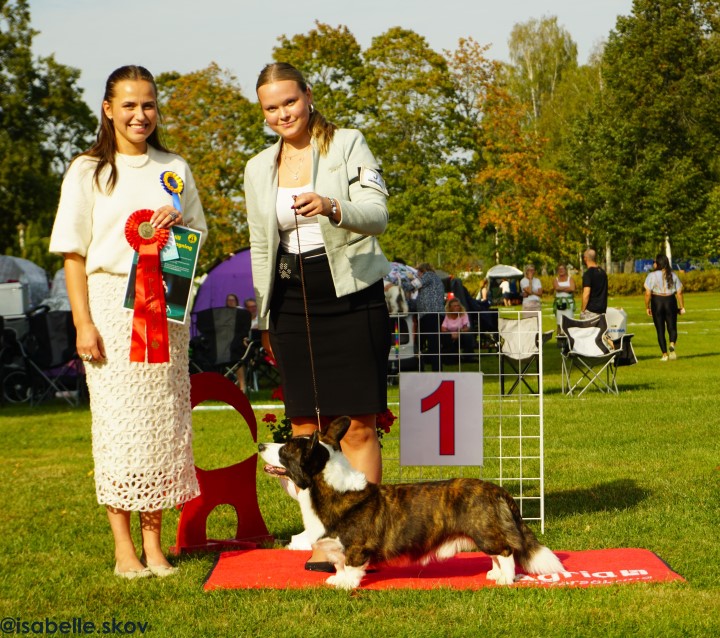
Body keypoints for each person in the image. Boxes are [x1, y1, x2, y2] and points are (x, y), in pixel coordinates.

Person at [49, 65, 207, 579]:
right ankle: (124, 549)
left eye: (149, 104)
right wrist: (83, 322)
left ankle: (155, 545)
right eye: (130, 105)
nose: (141, 115)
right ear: (108, 109)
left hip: (166, 308)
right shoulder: (87, 170)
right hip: (110, 310)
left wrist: (178, 224)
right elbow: (73, 253)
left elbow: (197, 236)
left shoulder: (175, 167)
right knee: (121, 430)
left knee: (162, 427)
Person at [244, 62, 391, 569]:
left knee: (357, 429)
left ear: (308, 96)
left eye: (290, 101)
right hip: (289, 300)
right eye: (271, 107)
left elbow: (378, 214)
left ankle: (366, 537)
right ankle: (318, 536)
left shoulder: (348, 143)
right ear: (262, 113)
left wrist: (332, 205)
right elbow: (261, 248)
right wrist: (262, 315)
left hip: (351, 294)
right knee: (303, 430)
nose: (283, 113)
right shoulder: (257, 168)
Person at [644, 254, 686, 361]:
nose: (653, 263)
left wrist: (647, 306)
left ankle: (664, 355)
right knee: (672, 326)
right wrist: (682, 306)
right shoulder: (673, 275)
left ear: (658, 263)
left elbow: (648, 293)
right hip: (670, 301)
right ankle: (672, 343)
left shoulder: (651, 275)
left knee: (660, 330)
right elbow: (680, 292)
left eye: (654, 261)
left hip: (657, 302)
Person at [415, 263, 446, 372]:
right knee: (427, 341)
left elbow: (414, 285)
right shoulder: (436, 280)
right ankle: (429, 367)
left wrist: (402, 283)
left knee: (431, 343)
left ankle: (435, 369)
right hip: (433, 314)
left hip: (430, 314)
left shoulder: (428, 275)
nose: (417, 274)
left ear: (422, 270)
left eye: (418, 272)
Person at [580, 248, 608, 320]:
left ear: (585, 258)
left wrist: (583, 310)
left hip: (591, 311)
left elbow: (586, 293)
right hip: (602, 310)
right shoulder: (602, 272)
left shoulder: (588, 274)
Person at [552, 264, 576, 331]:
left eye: (562, 269)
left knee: (570, 322)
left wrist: (561, 288)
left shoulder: (570, 279)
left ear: (565, 270)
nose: (561, 270)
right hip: (559, 304)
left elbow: (572, 288)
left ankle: (569, 339)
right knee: (559, 323)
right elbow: (557, 288)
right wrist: (567, 288)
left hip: (568, 303)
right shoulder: (555, 279)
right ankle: (560, 339)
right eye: (559, 269)